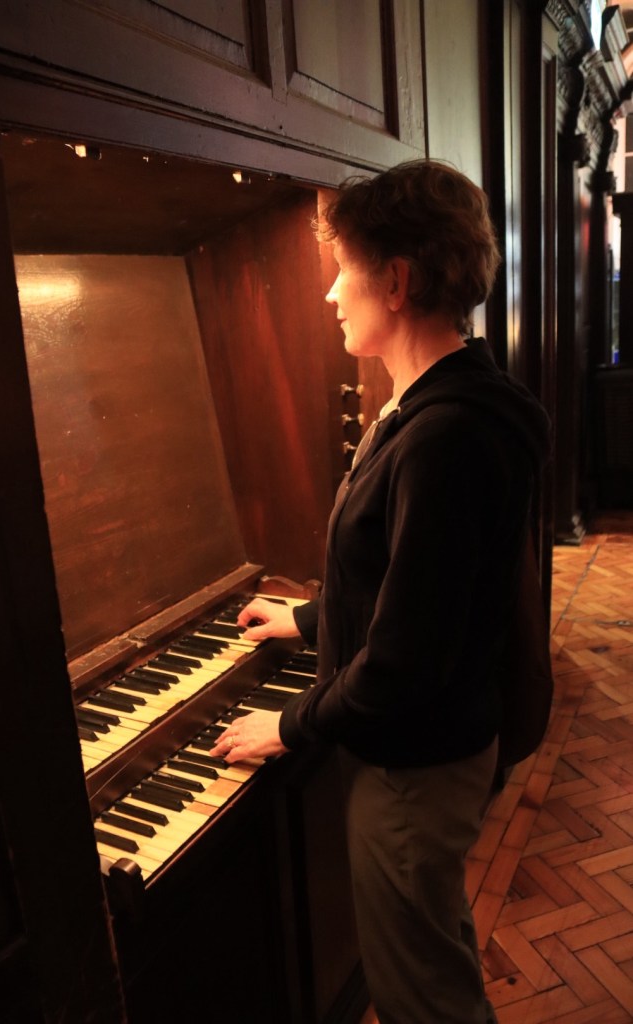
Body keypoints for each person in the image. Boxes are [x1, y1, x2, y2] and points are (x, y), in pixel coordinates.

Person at [210, 159, 551, 1024]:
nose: (330, 294)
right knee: (434, 950)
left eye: (343, 270)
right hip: (431, 750)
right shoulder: (432, 403)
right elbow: (409, 581)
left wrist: (290, 725)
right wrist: (308, 616)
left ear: (396, 281)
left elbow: (405, 658)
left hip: (414, 765)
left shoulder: (446, 436)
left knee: (419, 999)